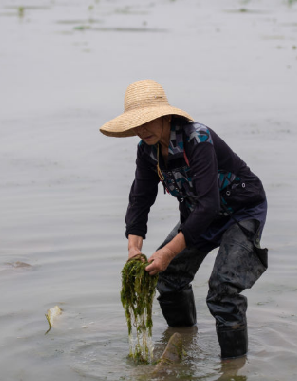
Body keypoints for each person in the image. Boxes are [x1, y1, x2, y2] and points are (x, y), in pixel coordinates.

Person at [100, 80, 268, 359]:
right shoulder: (147, 150)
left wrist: (167, 251)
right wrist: (134, 248)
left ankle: (233, 371)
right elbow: (140, 198)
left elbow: (209, 205)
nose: (142, 130)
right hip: (199, 215)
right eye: (137, 124)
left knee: (223, 290)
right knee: (169, 277)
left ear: (166, 116)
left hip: (241, 211)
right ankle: (182, 347)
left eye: (148, 121)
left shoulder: (197, 139)